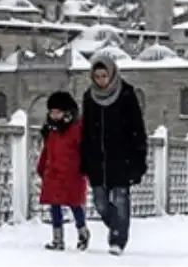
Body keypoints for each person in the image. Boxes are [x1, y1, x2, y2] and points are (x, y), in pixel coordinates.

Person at [80, 53, 148, 255]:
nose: (101, 80)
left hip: (122, 158)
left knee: (120, 200)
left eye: (104, 76)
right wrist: (84, 158)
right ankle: (117, 226)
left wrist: (138, 159)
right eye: (97, 76)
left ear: (112, 75)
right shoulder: (89, 97)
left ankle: (118, 239)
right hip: (98, 160)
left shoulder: (126, 94)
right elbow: (86, 130)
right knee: (100, 202)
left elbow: (136, 127)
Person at [36, 91, 90, 251]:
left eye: (58, 112)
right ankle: (57, 238)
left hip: (73, 173)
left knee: (75, 205)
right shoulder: (51, 131)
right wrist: (41, 167)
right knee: (55, 206)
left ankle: (82, 232)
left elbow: (85, 149)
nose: (54, 115)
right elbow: (47, 151)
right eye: (52, 112)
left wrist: (86, 166)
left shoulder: (76, 129)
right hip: (53, 173)